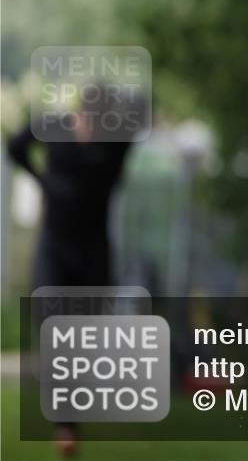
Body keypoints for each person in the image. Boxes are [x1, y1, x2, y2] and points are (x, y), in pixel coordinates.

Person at [6, 90, 133, 457]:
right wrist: (39, 178)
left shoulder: (116, 147)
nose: (91, 130)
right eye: (87, 120)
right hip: (54, 251)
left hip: (93, 252)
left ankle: (71, 412)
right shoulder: (55, 130)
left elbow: (139, 111)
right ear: (76, 115)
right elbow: (15, 146)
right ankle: (65, 425)